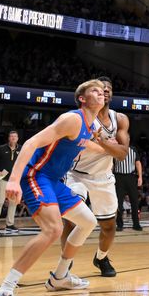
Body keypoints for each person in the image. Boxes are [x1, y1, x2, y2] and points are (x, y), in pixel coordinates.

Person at [0, 80, 107, 296]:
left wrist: (116, 148)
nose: (101, 94)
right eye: (95, 91)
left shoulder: (91, 128)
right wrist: (14, 179)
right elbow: (31, 143)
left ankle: (60, 277)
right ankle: (2, 293)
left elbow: (97, 148)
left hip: (54, 182)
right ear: (82, 98)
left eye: (103, 92)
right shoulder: (72, 119)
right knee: (53, 230)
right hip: (36, 175)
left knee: (88, 221)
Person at [62, 76, 129, 278]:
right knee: (72, 221)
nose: (105, 91)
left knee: (109, 226)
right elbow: (114, 150)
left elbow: (123, 154)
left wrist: (101, 141)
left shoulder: (120, 119)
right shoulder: (82, 117)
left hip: (104, 177)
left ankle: (101, 257)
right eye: (100, 89)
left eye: (108, 88)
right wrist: (110, 146)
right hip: (77, 175)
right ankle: (65, 262)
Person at [0, 130, 21, 235]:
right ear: (9, 138)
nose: (13, 138)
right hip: (3, 176)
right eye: (11, 136)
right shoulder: (1, 149)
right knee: (0, 201)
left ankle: (10, 224)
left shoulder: (21, 149)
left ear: (17, 138)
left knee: (13, 202)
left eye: (15, 136)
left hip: (15, 178)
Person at [113, 145, 142, 231]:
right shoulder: (115, 148)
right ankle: (119, 224)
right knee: (119, 202)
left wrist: (140, 176)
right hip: (118, 177)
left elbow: (138, 162)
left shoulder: (133, 149)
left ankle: (136, 224)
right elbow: (111, 163)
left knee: (134, 201)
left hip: (131, 177)